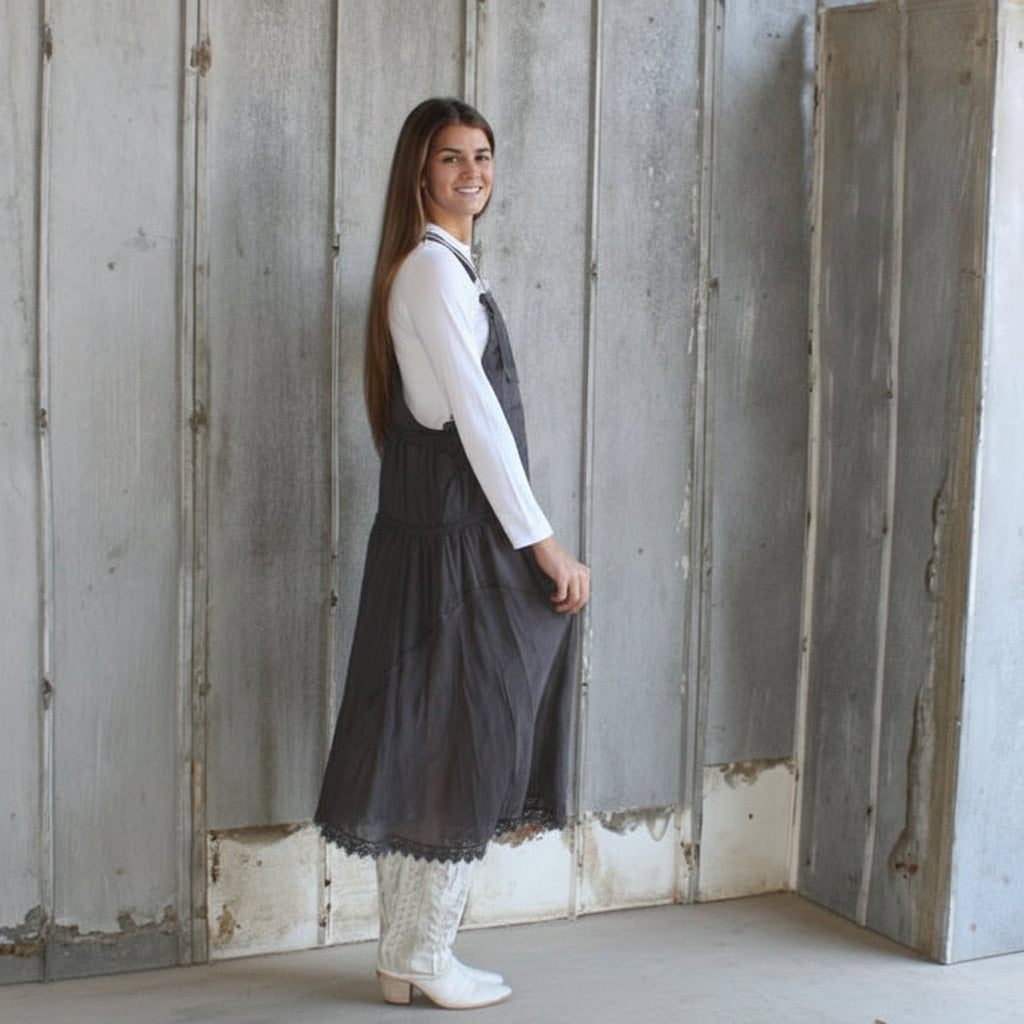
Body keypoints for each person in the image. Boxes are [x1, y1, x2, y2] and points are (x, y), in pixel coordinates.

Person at [314, 97, 590, 1010]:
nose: (472, 172)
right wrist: (545, 544)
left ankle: (405, 959)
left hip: (427, 538)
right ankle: (426, 956)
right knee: (458, 743)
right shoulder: (434, 274)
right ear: (419, 173)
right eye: (450, 158)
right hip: (455, 542)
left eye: (483, 156)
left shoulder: (435, 268)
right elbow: (477, 423)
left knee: (423, 741)